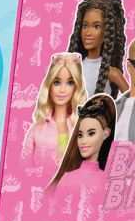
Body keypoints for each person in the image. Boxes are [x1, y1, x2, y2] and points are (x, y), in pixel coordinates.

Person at [20, 53, 86, 181]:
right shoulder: (37, 129)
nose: (62, 90)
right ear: (49, 85)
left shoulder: (82, 127)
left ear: (76, 87)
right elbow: (23, 169)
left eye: (70, 83)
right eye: (56, 82)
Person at [47, 94, 117, 190]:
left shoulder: (108, 182)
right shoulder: (67, 178)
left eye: (91, 134)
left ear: (106, 134)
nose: (83, 141)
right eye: (80, 135)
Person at [66, 0, 130, 98]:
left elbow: (134, 102)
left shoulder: (112, 73)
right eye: (85, 26)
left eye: (96, 26)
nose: (88, 33)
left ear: (107, 31)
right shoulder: (74, 67)